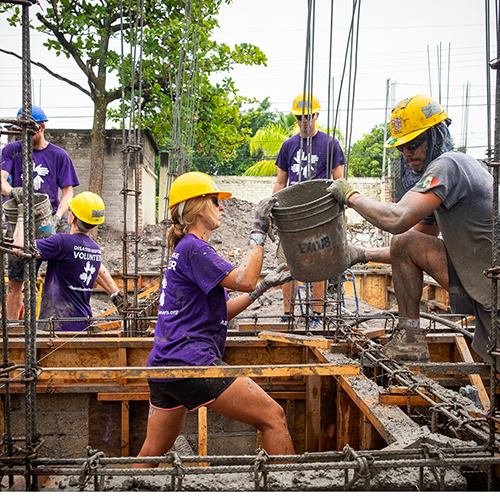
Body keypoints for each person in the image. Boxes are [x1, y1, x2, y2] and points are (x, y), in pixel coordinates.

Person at [133, 172, 295, 468]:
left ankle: (120, 490)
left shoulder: (187, 250)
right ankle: (292, 489)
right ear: (196, 207)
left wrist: (263, 287)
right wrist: (258, 231)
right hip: (190, 363)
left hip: (164, 366)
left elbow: (223, 310)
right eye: (215, 200)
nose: (222, 207)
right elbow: (244, 279)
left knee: (150, 454)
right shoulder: (196, 248)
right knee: (273, 417)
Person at [327, 94, 499, 369]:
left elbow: (397, 219)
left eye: (414, 143)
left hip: (493, 285)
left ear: (437, 135)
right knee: (406, 242)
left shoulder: (449, 165)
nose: (407, 153)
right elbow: (405, 246)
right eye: (402, 147)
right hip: (484, 280)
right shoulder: (451, 177)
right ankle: (409, 338)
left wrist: (350, 196)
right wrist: (359, 254)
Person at [1, 105, 80, 320]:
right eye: (20, 130)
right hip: (20, 219)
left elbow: (68, 194)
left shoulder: (59, 155)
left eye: (28, 131)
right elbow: (2, 181)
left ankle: (71, 319)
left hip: (49, 218)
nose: (23, 135)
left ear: (42, 127)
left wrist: (57, 218)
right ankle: (12, 330)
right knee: (16, 279)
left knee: (75, 259)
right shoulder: (11, 150)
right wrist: (13, 191)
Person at [272, 93, 346, 323]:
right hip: (292, 214)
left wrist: (339, 211)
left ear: (316, 116)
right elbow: (280, 182)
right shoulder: (288, 146)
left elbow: (339, 180)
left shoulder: (330, 144)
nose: (303, 121)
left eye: (307, 116)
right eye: (298, 117)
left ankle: (316, 313)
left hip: (318, 214)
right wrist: (273, 209)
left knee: (319, 263)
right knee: (285, 263)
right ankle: (287, 313)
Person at [15, 191, 125, 331]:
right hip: (83, 324)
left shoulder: (62, 242)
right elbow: (98, 271)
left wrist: (21, 216)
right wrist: (115, 293)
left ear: (72, 218)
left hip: (57, 325)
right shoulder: (94, 249)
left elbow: (19, 247)